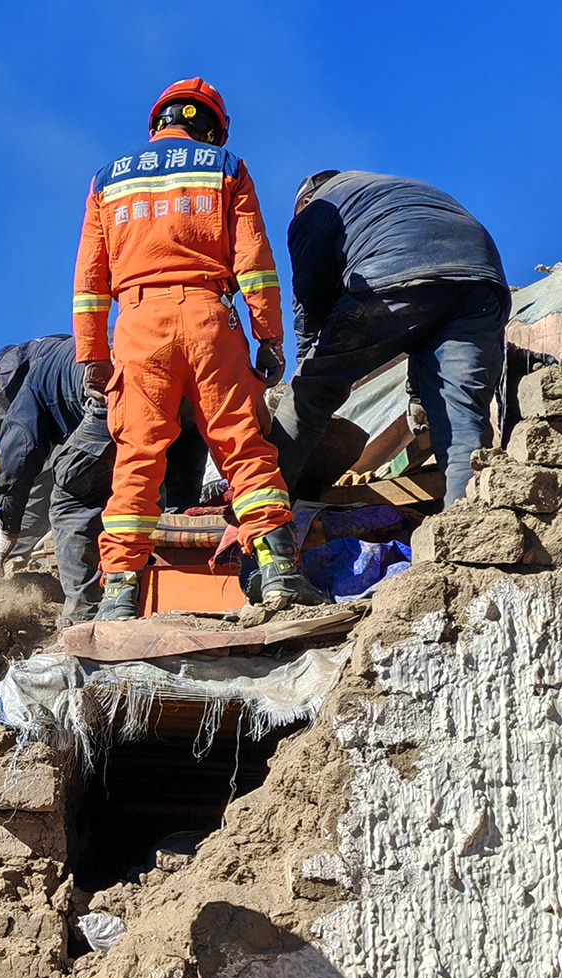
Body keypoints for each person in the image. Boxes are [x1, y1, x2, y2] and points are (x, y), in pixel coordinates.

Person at [73, 78, 318, 619]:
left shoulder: (106, 181)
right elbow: (254, 262)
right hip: (210, 320)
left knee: (137, 460)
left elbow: (90, 281)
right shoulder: (226, 167)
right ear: (210, 129)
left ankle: (118, 596)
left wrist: (92, 356)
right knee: (243, 447)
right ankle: (279, 571)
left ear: (159, 122)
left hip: (138, 327)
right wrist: (269, 338)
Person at [272, 171, 510, 507]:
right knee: (462, 418)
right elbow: (425, 327)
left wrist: (308, 364)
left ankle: (263, 503)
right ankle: (470, 522)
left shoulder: (318, 207)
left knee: (311, 392)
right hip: (481, 282)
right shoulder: (391, 191)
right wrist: (418, 393)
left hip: (395, 273)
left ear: (305, 202)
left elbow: (311, 296)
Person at [0, 335, 209, 625]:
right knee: (173, 511)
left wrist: (7, 534)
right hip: (185, 396)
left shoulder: (32, 384)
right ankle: (182, 593)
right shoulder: (65, 352)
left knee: (72, 501)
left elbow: (18, 460)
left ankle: (85, 618)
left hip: (120, 398)